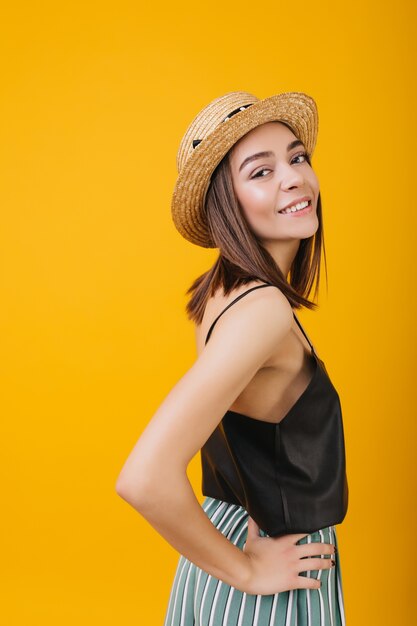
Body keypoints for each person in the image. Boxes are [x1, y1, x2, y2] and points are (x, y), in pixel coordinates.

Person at [115, 90, 349, 625]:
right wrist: (248, 572)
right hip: (274, 572)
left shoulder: (221, 289)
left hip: (217, 546)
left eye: (296, 158)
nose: (294, 178)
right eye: (260, 172)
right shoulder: (264, 309)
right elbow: (143, 476)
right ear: (226, 200)